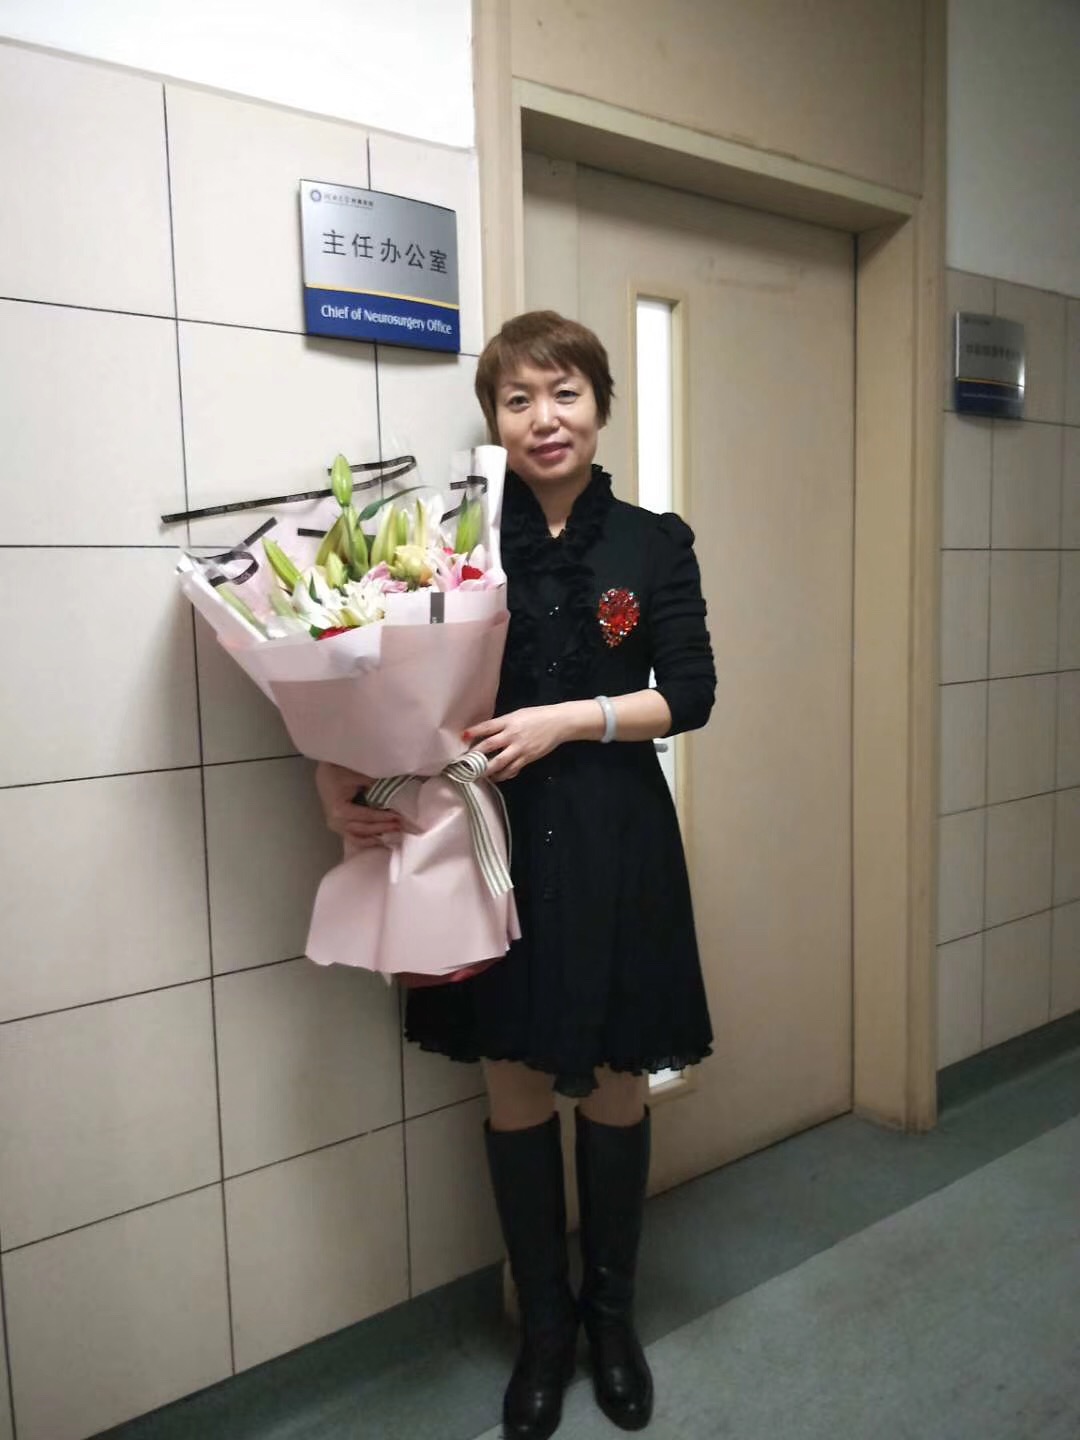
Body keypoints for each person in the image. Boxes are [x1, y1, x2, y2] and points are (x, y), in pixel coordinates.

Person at [316, 310, 715, 1439]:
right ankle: (543, 1329)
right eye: (518, 399)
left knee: (620, 1077)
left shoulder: (653, 542)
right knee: (514, 1081)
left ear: (600, 406)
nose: (545, 417)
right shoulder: (456, 540)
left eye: (565, 393)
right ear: (494, 418)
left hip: (617, 838)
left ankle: (611, 1321)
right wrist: (335, 777)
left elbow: (689, 694)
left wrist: (568, 719)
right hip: (483, 837)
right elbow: (369, 674)